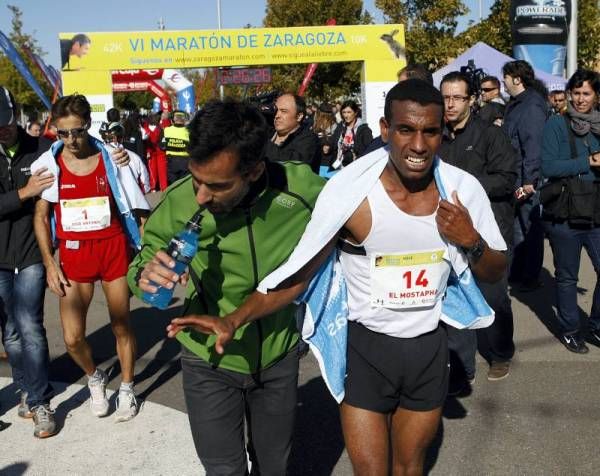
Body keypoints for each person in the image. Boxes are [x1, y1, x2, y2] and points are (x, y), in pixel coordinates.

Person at [165, 80, 507, 475]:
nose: (418, 145)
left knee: (410, 469)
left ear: (441, 131)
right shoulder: (352, 192)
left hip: (427, 352)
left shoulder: (463, 192)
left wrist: (471, 241)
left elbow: (495, 271)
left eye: (430, 132)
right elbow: (299, 273)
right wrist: (233, 319)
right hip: (366, 354)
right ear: (384, 129)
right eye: (405, 130)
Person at [128, 100, 325, 475]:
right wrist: (144, 275)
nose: (200, 195)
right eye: (196, 178)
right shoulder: (181, 198)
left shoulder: (300, 188)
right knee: (224, 470)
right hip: (208, 360)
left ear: (253, 170)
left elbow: (359, 209)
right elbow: (142, 260)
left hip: (278, 356)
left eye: (216, 186)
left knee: (273, 467)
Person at [32, 94, 149, 424]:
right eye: (63, 133)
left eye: (77, 132)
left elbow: (137, 206)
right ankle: (95, 377)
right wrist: (49, 263)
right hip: (73, 255)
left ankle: (127, 386)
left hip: (111, 248)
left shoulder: (112, 158)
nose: (70, 140)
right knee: (72, 338)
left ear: (88, 126)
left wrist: (145, 246)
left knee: (121, 324)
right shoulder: (49, 164)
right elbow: (41, 217)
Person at [438, 72, 517, 386]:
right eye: (446, 97)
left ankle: (500, 353)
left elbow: (507, 179)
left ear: (470, 99)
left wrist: (466, 189)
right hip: (448, 233)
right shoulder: (436, 137)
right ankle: (461, 368)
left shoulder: (490, 135)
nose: (451, 104)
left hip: (489, 231)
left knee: (494, 296)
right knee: (454, 294)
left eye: (458, 97)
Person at [0, 86, 56, 438]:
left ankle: (40, 401)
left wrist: (119, 154)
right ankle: (24, 387)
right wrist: (24, 192)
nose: (1, 129)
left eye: (4, 122)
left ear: (15, 114)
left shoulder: (42, 146)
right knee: (11, 332)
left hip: (33, 253)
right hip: (0, 258)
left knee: (30, 325)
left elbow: (80, 151)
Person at [541, 69, 600, 354]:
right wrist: (588, 161)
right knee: (567, 276)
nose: (579, 99)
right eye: (575, 93)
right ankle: (570, 329)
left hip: (596, 210)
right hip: (565, 211)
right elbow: (549, 167)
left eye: (585, 93)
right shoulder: (556, 124)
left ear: (596, 95)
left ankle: (597, 325)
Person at [502, 60, 548, 291]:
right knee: (518, 228)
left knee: (530, 229)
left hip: (526, 179)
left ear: (516, 78)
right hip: (515, 176)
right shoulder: (517, 104)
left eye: (506, 77)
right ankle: (519, 272)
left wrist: (530, 182)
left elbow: (533, 147)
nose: (503, 81)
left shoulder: (531, 106)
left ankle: (531, 276)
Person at [264, 93, 321, 173]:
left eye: (284, 111)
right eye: (275, 110)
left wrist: (261, 143)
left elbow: (293, 164)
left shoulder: (310, 139)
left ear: (299, 116)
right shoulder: (267, 133)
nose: (277, 115)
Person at [105, 121, 151, 194]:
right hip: (133, 198)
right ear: (122, 138)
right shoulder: (134, 157)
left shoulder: (100, 155)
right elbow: (145, 184)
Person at [331, 100, 373, 170]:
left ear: (355, 112)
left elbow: (368, 151)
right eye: (344, 112)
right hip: (339, 168)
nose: (346, 115)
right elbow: (334, 144)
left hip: (356, 168)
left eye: (349, 112)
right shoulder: (340, 126)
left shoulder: (364, 129)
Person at [160, 110, 190, 184]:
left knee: (173, 186)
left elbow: (162, 146)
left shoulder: (166, 130)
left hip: (171, 162)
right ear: (184, 120)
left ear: (173, 119)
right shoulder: (189, 131)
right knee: (184, 185)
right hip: (185, 162)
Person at [143, 112, 168, 191]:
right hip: (161, 151)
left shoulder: (146, 129)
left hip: (150, 151)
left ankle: (153, 186)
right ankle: (163, 187)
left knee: (152, 170)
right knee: (162, 170)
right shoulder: (160, 128)